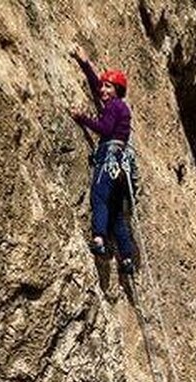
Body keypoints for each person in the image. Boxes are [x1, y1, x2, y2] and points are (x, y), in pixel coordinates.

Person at [69, 45, 138, 275]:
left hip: (108, 161)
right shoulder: (121, 107)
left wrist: (82, 118)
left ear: (117, 90)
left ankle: (99, 239)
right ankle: (126, 258)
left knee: (99, 198)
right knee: (117, 213)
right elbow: (96, 86)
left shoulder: (114, 107)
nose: (103, 90)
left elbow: (104, 128)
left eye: (108, 87)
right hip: (122, 167)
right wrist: (85, 63)